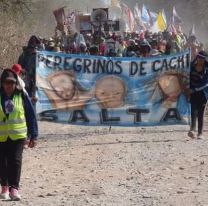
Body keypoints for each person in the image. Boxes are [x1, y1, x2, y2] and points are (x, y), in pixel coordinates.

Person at [0, 68, 38, 201]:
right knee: (2, 162)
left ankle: (14, 189)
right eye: (6, 83)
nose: (8, 86)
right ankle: (4, 187)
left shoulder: (21, 95)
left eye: (11, 82)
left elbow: (31, 115)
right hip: (1, 136)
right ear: (2, 84)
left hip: (18, 136)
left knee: (15, 161)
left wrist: (33, 135)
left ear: (15, 83)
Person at [188, 51, 208, 139]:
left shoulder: (206, 69)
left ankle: (200, 133)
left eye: (202, 58)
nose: (200, 60)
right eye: (198, 58)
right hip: (193, 94)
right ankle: (192, 130)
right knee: (193, 111)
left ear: (204, 60)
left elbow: (206, 83)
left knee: (201, 113)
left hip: (203, 94)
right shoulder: (192, 67)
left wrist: (194, 89)